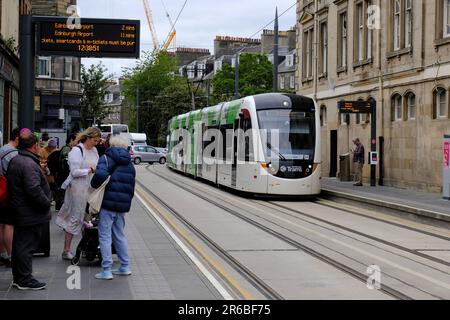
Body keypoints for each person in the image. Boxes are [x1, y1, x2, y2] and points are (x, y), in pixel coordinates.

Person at [7, 129, 51, 290]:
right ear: (33, 146)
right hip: (30, 213)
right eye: (38, 145)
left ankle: (19, 277)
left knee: (20, 246)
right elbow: (33, 189)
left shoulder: (18, 160)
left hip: (21, 211)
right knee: (26, 248)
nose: (40, 147)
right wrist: (46, 202)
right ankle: (25, 279)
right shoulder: (28, 164)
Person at [91, 135, 135, 280]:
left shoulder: (106, 157)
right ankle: (125, 266)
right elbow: (131, 186)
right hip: (122, 205)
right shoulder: (129, 163)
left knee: (104, 235)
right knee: (119, 234)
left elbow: (100, 175)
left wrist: (93, 185)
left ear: (111, 145)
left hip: (108, 202)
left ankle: (107, 269)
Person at [55, 127, 101, 260]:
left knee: (88, 218)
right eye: (94, 140)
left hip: (90, 187)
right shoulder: (77, 150)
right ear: (87, 137)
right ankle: (66, 250)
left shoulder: (94, 150)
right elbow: (74, 172)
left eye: (98, 141)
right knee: (76, 217)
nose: (96, 143)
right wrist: (90, 170)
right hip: (77, 188)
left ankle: (86, 247)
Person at [0, 128, 20, 268]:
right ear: (17, 138)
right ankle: (12, 255)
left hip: (1, 190)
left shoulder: (2, 149)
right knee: (9, 224)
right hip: (8, 191)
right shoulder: (13, 153)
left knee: (1, 224)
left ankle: (2, 254)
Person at [50, 134, 77, 210]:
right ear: (71, 140)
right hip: (63, 174)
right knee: (63, 190)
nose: (77, 142)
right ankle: (61, 205)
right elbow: (66, 162)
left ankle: (60, 205)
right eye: (76, 140)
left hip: (61, 174)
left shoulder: (65, 148)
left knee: (62, 189)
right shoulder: (67, 149)